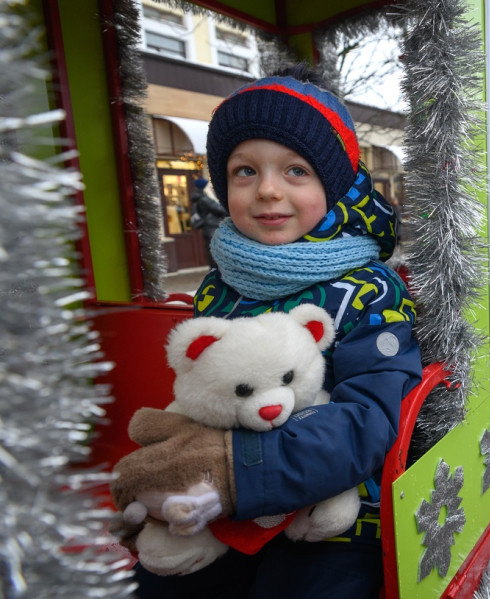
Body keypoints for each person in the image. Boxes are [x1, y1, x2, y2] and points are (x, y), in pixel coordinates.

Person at [111, 64, 423, 598]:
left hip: (337, 518)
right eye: (244, 171)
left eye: (296, 171)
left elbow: (370, 420)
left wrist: (239, 475)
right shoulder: (219, 285)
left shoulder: (369, 290)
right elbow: (203, 397)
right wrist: (172, 474)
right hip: (224, 505)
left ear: (333, 184)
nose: (268, 191)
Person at [189, 177, 227, 268]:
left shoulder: (199, 198)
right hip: (212, 228)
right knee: (216, 255)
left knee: (211, 253)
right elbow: (221, 210)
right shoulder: (205, 199)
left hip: (208, 229)